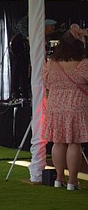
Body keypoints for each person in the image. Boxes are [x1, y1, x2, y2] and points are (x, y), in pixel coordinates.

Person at [42, 24, 88, 190]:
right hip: (76, 106)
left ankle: (59, 178)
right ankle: (72, 181)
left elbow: (46, 82)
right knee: (74, 143)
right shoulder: (83, 64)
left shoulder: (51, 63)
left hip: (55, 106)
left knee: (58, 142)